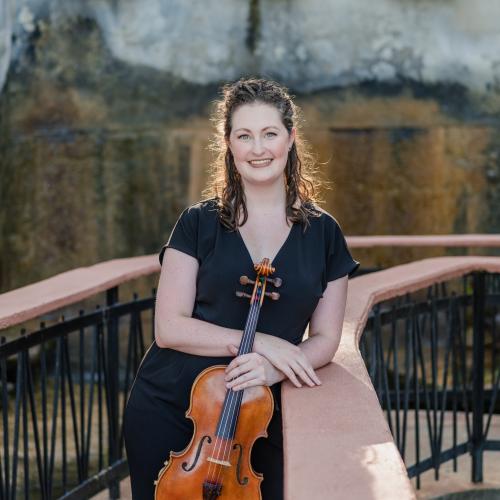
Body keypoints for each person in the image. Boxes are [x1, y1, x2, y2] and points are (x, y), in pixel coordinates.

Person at [122, 77, 360, 499]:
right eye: (244, 136)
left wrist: (273, 368)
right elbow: (169, 328)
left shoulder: (324, 234)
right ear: (229, 143)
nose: (258, 148)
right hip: (174, 408)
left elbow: (324, 338)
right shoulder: (197, 223)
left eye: (269, 134)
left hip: (259, 418)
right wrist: (262, 343)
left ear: (290, 138)